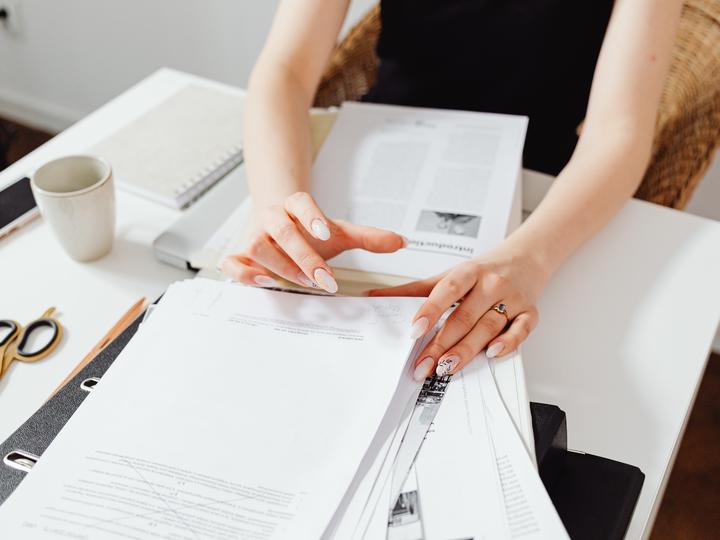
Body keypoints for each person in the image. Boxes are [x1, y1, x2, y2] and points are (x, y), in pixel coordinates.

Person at [221, 0, 683, 381]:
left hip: (536, 200)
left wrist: (530, 260)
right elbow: (286, 69)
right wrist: (280, 207)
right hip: (371, 168)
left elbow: (618, 128)